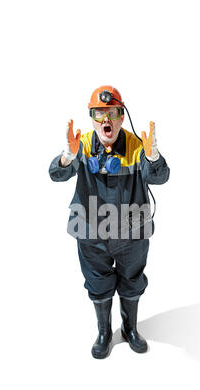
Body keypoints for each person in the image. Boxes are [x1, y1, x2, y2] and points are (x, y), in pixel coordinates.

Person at [49, 85, 170, 359]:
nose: (106, 120)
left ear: (122, 116)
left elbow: (160, 178)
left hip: (132, 230)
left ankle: (130, 329)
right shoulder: (81, 145)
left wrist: (152, 156)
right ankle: (105, 332)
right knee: (97, 282)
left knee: (132, 281)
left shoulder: (139, 146)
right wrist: (68, 155)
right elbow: (55, 175)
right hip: (91, 230)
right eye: (99, 113)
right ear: (91, 117)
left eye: (112, 113)